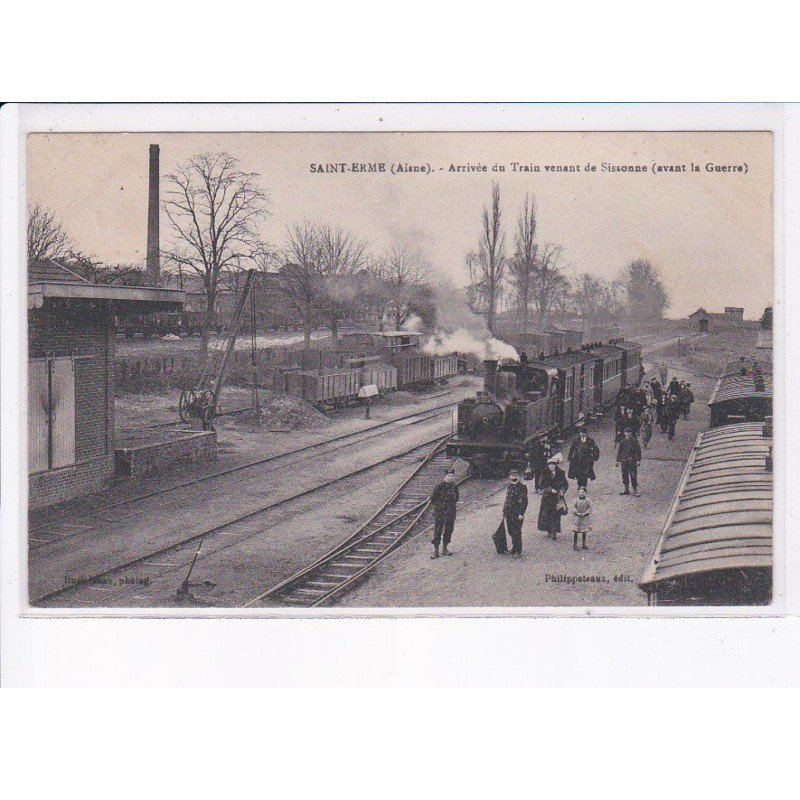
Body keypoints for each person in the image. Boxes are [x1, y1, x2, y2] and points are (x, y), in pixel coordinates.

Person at [430, 468, 459, 558]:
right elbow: (433, 499)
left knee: (449, 530)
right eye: (448, 476)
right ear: (445, 476)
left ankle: (445, 548)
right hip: (440, 512)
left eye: (451, 476)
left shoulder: (454, 486)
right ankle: (436, 551)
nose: (450, 478)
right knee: (438, 531)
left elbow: (457, 498)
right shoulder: (439, 486)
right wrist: (440, 506)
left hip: (450, 512)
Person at [538, 456, 569, 541]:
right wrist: (550, 489)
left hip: (557, 497)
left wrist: (562, 491)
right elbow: (541, 485)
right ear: (547, 465)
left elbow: (565, 484)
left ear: (555, 465)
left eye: (553, 464)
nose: (551, 466)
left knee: (556, 514)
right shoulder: (544, 473)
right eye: (550, 465)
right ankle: (548, 529)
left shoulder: (561, 473)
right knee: (547, 513)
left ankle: (553, 531)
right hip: (547, 497)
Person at [502, 468, 528, 558]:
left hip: (517, 513)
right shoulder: (509, 485)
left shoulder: (522, 487)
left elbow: (524, 502)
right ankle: (514, 547)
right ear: (509, 476)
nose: (514, 476)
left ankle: (518, 550)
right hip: (509, 512)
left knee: (516, 532)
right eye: (512, 475)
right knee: (511, 531)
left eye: (515, 475)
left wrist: (521, 513)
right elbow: (507, 500)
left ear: (518, 476)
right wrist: (504, 511)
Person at [567, 424, 600, 490]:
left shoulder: (591, 441)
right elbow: (572, 449)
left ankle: (584, 486)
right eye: (581, 433)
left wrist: (595, 457)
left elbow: (596, 449)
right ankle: (580, 484)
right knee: (578, 473)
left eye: (584, 433)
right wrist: (569, 457)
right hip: (577, 459)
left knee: (585, 473)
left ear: (586, 434)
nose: (582, 435)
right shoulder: (576, 440)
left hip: (587, 460)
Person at [616, 428, 642, 496]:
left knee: (633, 475)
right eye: (627, 432)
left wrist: (638, 460)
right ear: (624, 433)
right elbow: (619, 451)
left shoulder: (634, 441)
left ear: (631, 433)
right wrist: (617, 461)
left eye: (629, 432)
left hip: (632, 461)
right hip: (624, 461)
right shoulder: (622, 441)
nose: (628, 434)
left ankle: (635, 490)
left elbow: (638, 451)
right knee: (624, 475)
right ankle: (626, 489)